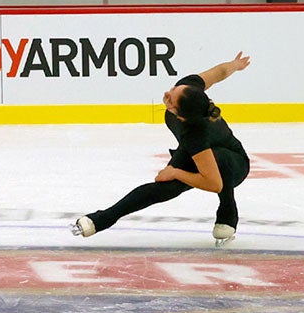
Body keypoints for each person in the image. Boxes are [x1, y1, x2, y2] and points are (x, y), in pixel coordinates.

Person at [71, 52, 252, 247]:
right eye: (173, 89)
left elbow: (214, 183)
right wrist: (235, 65)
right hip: (195, 149)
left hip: (234, 163)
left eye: (170, 99)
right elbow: (219, 72)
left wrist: (176, 171)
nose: (167, 93)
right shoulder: (189, 89)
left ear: (178, 115)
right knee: (167, 186)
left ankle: (227, 210)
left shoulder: (196, 134)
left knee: (213, 162)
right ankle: (103, 218)